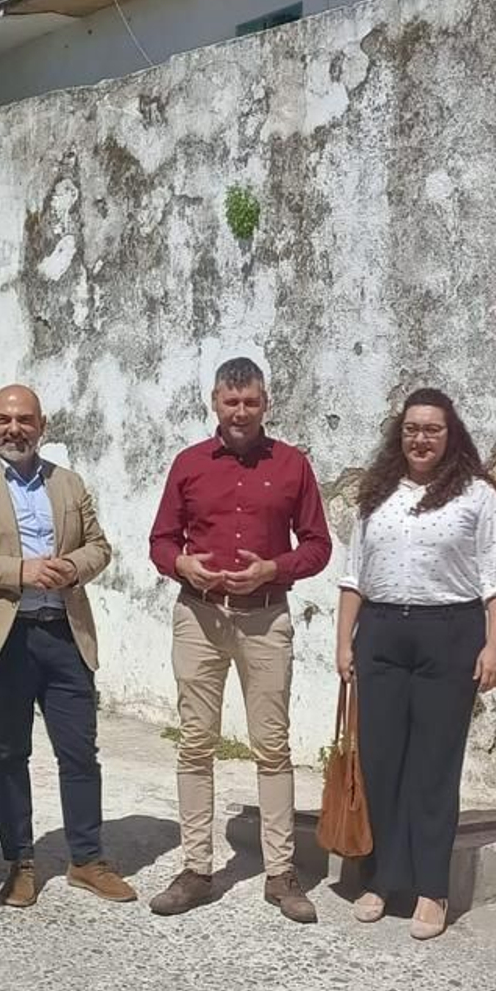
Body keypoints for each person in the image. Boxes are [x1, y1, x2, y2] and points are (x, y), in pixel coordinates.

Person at [0, 385, 135, 908]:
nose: (13, 429)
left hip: (64, 633)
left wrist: (75, 567)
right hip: (4, 638)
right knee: (8, 752)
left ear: (42, 425)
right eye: (3, 419)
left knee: (79, 754)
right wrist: (20, 572)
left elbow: (100, 546)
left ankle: (87, 860)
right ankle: (19, 863)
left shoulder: (67, 484)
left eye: (24, 420)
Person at [146, 357, 332, 922]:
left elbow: (318, 545)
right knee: (195, 743)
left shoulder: (294, 465)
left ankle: (280, 873)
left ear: (265, 402)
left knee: (272, 747)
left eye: (251, 401)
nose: (241, 412)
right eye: (232, 402)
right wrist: (183, 565)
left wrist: (272, 569)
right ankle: (197, 869)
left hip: (265, 617)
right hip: (199, 617)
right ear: (215, 403)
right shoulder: (189, 464)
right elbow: (159, 541)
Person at [334, 387, 496, 941]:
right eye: (412, 428)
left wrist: (495, 645)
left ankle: (432, 890)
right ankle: (381, 880)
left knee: (434, 769)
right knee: (382, 762)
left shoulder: (478, 496)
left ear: (450, 433)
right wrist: (344, 643)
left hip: (450, 634)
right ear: (400, 433)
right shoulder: (377, 494)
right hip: (383, 634)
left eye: (432, 429)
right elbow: (354, 575)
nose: (421, 438)